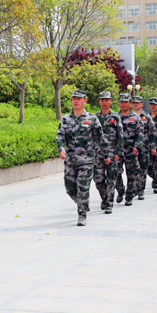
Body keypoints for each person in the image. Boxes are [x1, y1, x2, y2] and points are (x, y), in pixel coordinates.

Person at [56, 90, 110, 226]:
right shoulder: (65, 119)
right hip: (70, 160)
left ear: (84, 101)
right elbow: (60, 136)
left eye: (79, 98)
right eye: (74, 98)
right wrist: (61, 148)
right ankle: (81, 202)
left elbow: (100, 138)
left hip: (86, 160)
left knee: (83, 187)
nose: (76, 101)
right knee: (70, 188)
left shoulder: (92, 119)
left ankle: (82, 213)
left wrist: (106, 155)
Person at [93, 91, 123, 214]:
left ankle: (109, 203)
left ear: (111, 101)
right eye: (102, 100)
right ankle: (104, 198)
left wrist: (118, 152)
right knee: (98, 179)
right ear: (99, 101)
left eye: (107, 100)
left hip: (112, 153)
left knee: (111, 179)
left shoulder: (116, 117)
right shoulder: (94, 117)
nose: (104, 102)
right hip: (97, 153)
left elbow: (120, 136)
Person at [115, 93, 143, 206]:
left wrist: (137, 146)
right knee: (116, 173)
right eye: (121, 102)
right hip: (118, 151)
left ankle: (129, 196)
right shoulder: (115, 117)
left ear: (130, 103)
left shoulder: (136, 118)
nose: (123, 104)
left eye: (126, 102)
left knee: (132, 174)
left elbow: (140, 134)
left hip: (131, 150)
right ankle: (120, 190)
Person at [132, 96, 156, 200]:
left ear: (142, 104)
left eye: (137, 103)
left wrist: (153, 147)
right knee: (132, 169)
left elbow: (152, 133)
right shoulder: (128, 116)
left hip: (144, 147)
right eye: (134, 103)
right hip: (131, 147)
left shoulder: (147, 117)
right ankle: (132, 188)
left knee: (143, 169)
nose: (135, 104)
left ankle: (141, 190)